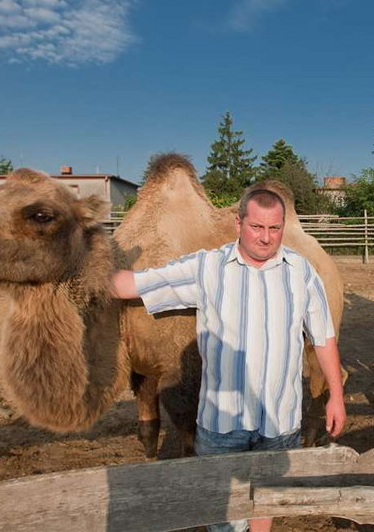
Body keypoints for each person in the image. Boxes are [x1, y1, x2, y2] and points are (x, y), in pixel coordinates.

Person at [111, 186, 346, 532]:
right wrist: (73, 267)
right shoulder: (208, 267)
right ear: (238, 223)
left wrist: (336, 396)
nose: (265, 238)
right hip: (222, 424)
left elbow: (323, 336)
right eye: (257, 227)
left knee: (266, 497)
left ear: (282, 227)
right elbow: (134, 284)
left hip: (279, 419)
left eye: (274, 228)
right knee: (222, 513)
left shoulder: (301, 271)